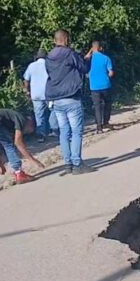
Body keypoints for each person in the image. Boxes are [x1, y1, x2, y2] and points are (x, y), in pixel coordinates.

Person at [45, 29, 93, 175]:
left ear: (54, 40)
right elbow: (84, 69)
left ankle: (67, 164)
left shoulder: (49, 57)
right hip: (71, 97)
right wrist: (87, 59)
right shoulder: (70, 54)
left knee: (64, 132)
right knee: (76, 131)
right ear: (66, 40)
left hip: (56, 99)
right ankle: (77, 164)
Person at [0, 109, 45, 195]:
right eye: (31, 130)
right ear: (30, 122)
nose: (28, 132)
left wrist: (0, 164)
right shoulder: (20, 118)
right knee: (9, 145)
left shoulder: (8, 121)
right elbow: (18, 143)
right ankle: (19, 173)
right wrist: (34, 161)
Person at [24, 50, 58, 142]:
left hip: (36, 95)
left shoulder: (31, 66)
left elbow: (26, 80)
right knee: (53, 110)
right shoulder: (50, 65)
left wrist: (27, 91)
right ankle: (54, 130)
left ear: (37, 57)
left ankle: (41, 135)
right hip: (49, 94)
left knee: (39, 115)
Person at [85, 41, 114, 134]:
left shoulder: (89, 59)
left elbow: (84, 61)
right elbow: (111, 72)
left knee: (97, 106)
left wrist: (90, 52)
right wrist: (107, 76)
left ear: (92, 48)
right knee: (107, 103)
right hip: (105, 85)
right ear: (101, 48)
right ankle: (106, 122)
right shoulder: (106, 58)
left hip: (94, 86)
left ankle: (99, 127)